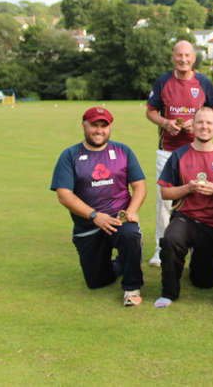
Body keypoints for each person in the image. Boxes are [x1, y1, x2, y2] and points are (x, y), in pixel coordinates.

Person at [50, 107, 147, 306]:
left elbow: (139, 186)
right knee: (96, 282)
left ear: (110, 127)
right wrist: (95, 216)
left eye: (104, 126)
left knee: (130, 235)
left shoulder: (123, 151)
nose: (99, 130)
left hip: (119, 220)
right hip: (89, 225)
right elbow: (64, 195)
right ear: (84, 125)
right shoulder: (70, 155)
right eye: (94, 125)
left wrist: (131, 211)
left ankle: (132, 287)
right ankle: (124, 260)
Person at [146, 40, 213, 267]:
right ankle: (161, 249)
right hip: (168, 150)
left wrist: (198, 123)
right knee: (165, 202)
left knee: (197, 199)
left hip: (198, 152)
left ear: (193, 58)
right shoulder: (164, 81)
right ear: (173, 57)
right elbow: (150, 111)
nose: (183, 59)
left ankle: (192, 244)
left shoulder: (204, 82)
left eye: (187, 55)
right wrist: (166, 122)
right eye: (179, 55)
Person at [153, 107, 213, 308]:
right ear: (193, 126)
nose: (204, 127)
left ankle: (196, 262)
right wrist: (187, 188)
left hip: (212, 224)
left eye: (208, 123)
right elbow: (165, 192)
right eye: (200, 122)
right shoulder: (179, 155)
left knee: (203, 283)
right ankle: (168, 293)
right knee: (171, 240)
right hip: (184, 218)